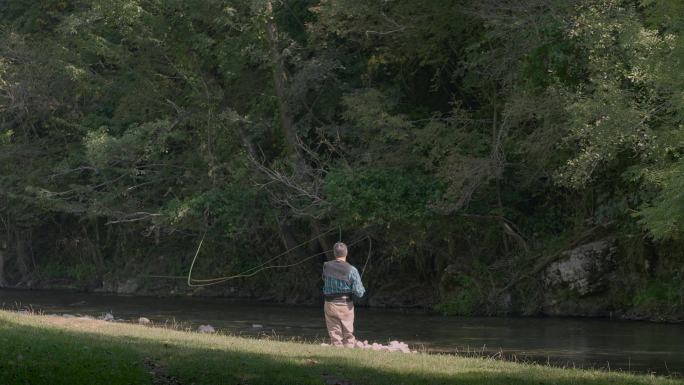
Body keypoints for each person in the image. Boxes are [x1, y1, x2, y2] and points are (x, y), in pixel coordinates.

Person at [322, 241, 365, 347]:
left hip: (330, 304)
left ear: (334, 253)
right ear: (346, 253)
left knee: (335, 335)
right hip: (346, 304)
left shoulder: (326, 266)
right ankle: (348, 350)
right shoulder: (352, 270)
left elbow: (324, 278)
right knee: (348, 335)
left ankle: (336, 352)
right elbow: (359, 292)